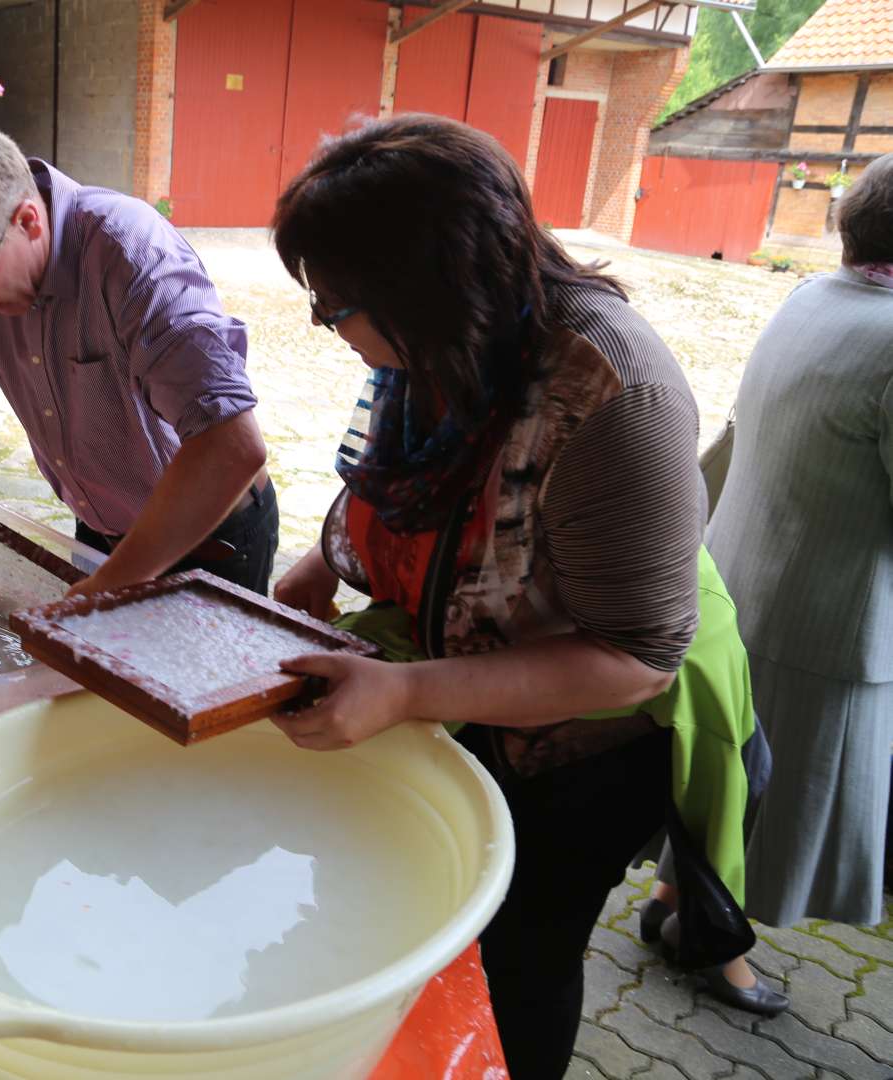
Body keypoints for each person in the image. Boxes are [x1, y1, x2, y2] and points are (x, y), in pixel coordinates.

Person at [265, 115, 772, 1078]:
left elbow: (634, 658)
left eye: (335, 307)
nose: (326, 327)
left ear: (425, 289)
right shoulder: (448, 342)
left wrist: (409, 692)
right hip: (470, 678)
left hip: (587, 739)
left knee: (521, 957)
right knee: (422, 909)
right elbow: (405, 470)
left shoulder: (616, 395)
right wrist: (326, 560)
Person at [0, 125, 276, 596]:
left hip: (211, 536)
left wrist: (114, 581)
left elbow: (230, 446)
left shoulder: (133, 255)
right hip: (101, 528)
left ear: (27, 222)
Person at [700, 151, 893, 930]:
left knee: (726, 772)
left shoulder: (811, 295)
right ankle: (719, 948)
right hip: (825, 622)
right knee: (776, 804)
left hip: (742, 582)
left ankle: (678, 901)